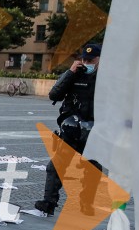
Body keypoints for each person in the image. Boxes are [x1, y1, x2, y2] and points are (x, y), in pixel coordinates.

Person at [34, 44, 102, 216]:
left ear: (99, 60)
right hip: (71, 129)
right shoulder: (73, 74)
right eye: (84, 59)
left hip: (93, 133)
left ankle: (86, 204)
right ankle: (48, 203)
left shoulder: (107, 79)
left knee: (92, 169)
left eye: (90, 60)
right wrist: (70, 73)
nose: (86, 63)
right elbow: (54, 95)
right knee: (56, 166)